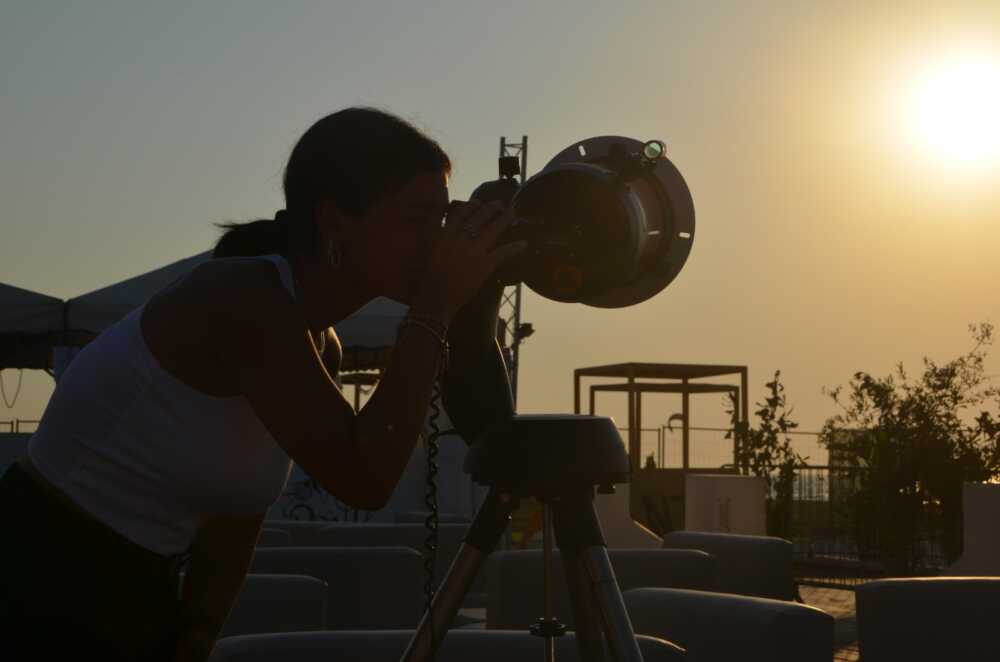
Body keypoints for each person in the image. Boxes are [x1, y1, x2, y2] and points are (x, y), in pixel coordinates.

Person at [0, 107, 525, 661]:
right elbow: (365, 477)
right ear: (335, 222)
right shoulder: (243, 298)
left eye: (443, 220)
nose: (438, 243)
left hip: (127, 591)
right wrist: (437, 306)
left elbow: (234, 516)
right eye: (419, 218)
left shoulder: (316, 343)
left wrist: (195, 640)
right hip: (37, 577)